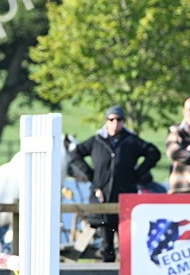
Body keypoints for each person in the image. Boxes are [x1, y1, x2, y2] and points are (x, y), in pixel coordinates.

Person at [69, 105, 161, 262]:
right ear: (106, 121)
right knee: (106, 247)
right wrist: (92, 176)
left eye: (119, 119)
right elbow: (75, 153)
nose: (115, 123)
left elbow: (153, 153)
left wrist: (137, 174)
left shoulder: (130, 140)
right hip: (102, 197)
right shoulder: (97, 140)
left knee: (127, 246)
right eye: (111, 119)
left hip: (124, 197)